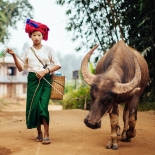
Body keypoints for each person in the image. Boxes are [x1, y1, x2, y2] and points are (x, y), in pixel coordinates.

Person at [6, 19, 61, 144]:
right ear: (30, 36)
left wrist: (45, 71)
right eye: (34, 35)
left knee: (43, 106)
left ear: (43, 36)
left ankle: (47, 134)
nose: (36, 37)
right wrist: (14, 55)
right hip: (32, 80)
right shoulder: (27, 51)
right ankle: (39, 133)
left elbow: (58, 65)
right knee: (35, 106)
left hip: (46, 80)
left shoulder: (49, 50)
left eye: (39, 35)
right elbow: (20, 68)